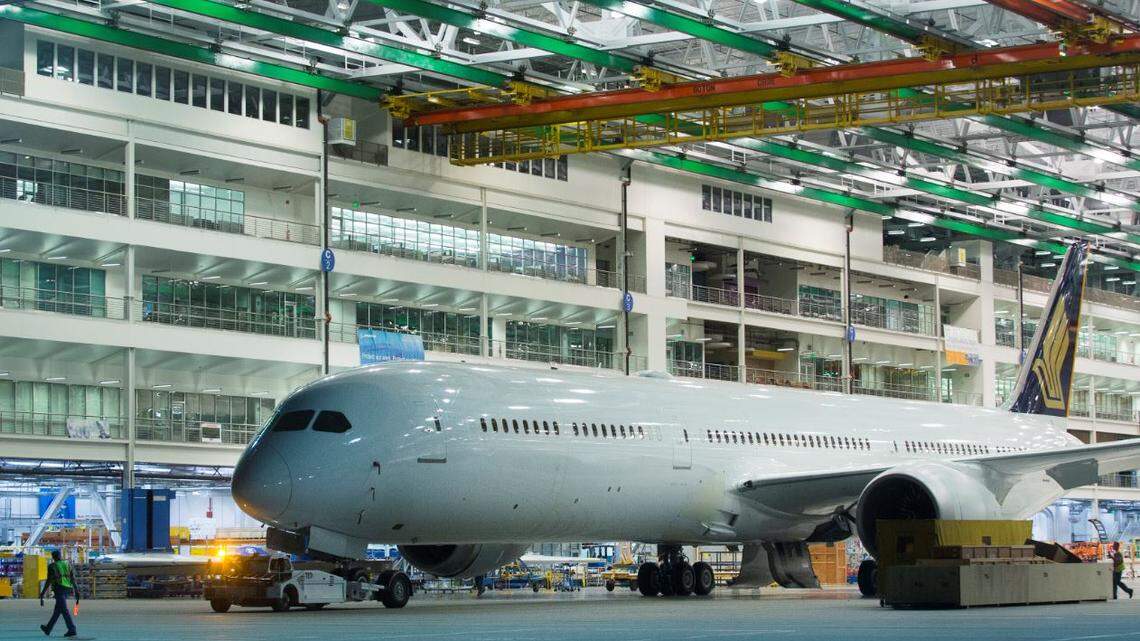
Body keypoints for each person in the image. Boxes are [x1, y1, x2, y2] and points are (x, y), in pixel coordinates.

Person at [38, 549, 78, 637]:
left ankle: (72, 629)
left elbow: (48, 581)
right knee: (58, 610)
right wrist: (76, 590)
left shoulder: (52, 566)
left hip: (59, 589)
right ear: (60, 556)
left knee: (64, 610)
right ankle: (48, 628)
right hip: (67, 588)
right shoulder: (68, 564)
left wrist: (43, 592)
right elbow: (73, 578)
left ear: (53, 557)